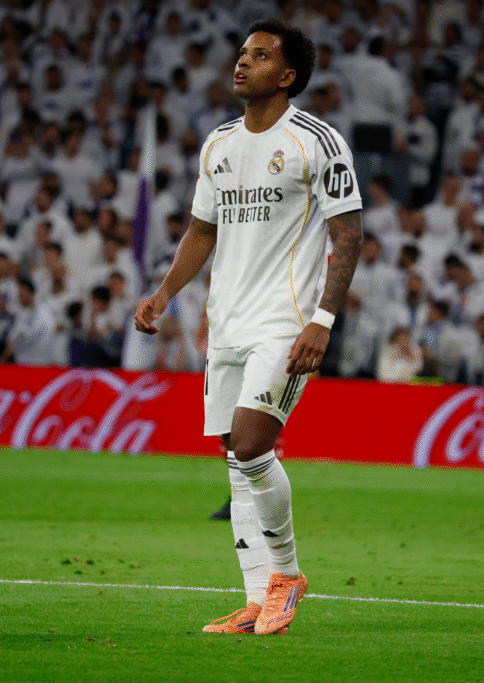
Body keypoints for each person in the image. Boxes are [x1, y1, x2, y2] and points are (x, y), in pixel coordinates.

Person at [134, 19, 362, 636]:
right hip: (226, 324)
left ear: (286, 76)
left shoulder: (318, 141)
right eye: (242, 53)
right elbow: (202, 230)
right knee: (235, 457)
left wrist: (322, 319)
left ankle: (287, 573)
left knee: (255, 442)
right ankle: (257, 600)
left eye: (259, 56)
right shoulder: (219, 145)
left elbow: (348, 233)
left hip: (284, 325)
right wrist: (164, 292)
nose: (242, 63)